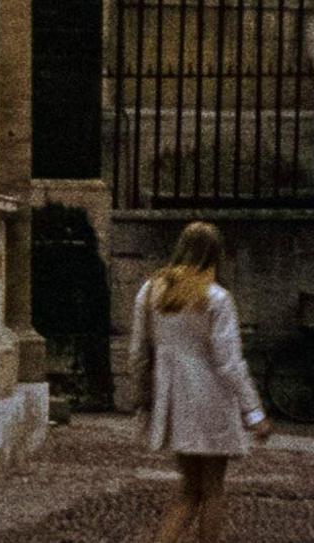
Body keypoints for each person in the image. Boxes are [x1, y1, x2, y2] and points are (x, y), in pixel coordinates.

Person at [129, 221, 269, 543]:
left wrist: (142, 397)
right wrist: (254, 412)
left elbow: (138, 353)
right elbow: (229, 362)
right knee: (212, 490)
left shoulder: (150, 292)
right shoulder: (216, 298)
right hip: (212, 400)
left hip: (174, 401)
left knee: (188, 490)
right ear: (216, 255)